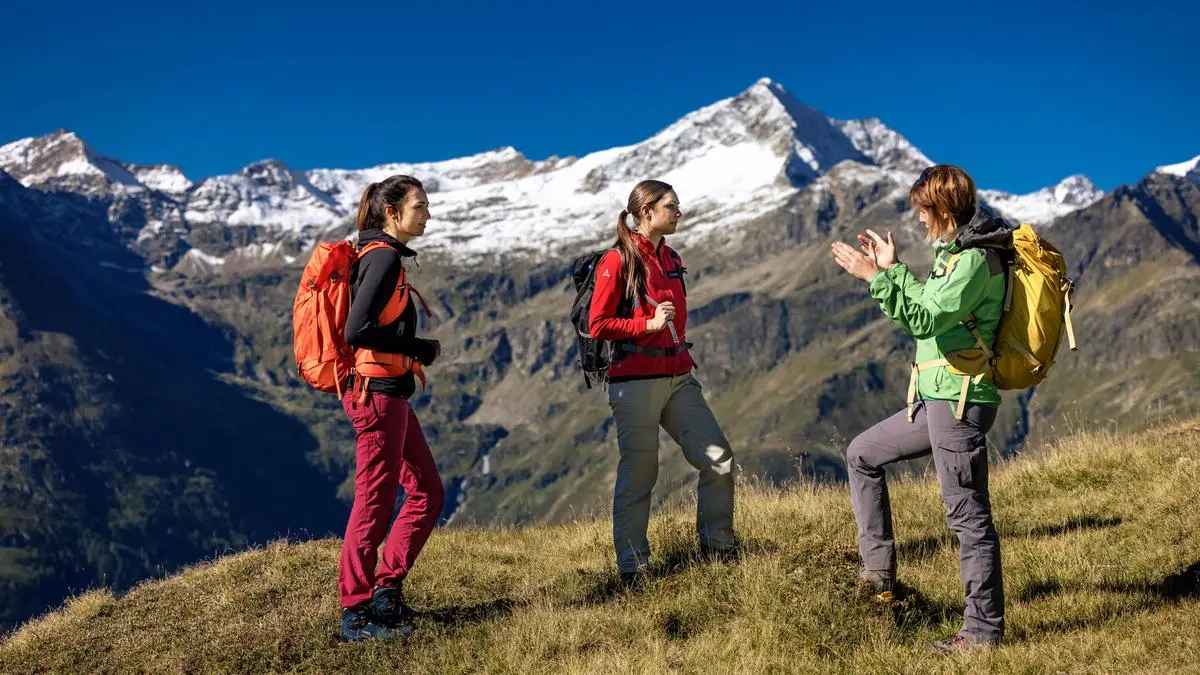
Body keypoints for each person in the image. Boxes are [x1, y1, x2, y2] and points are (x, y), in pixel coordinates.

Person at [830, 164, 1009, 653]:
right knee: (862, 454)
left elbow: (924, 318)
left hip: (959, 399)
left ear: (943, 209)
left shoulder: (975, 261)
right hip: (936, 397)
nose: (921, 221)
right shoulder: (954, 256)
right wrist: (891, 269)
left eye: (924, 212)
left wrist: (874, 279)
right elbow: (930, 307)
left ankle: (982, 633)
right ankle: (879, 580)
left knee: (968, 516)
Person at [588, 179, 737, 586]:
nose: (679, 212)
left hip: (678, 377)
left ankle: (718, 550)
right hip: (634, 382)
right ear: (647, 211)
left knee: (719, 459)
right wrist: (647, 324)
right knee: (640, 473)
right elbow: (597, 324)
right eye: (671, 206)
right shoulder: (617, 261)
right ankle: (634, 568)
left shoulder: (671, 257)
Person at [338, 175, 444, 641]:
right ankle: (356, 613)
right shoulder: (381, 257)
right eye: (419, 206)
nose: (427, 214)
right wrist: (416, 346)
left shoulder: (383, 255)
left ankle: (386, 592)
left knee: (426, 491)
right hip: (376, 395)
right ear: (392, 213)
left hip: (389, 392)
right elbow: (356, 330)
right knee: (375, 502)